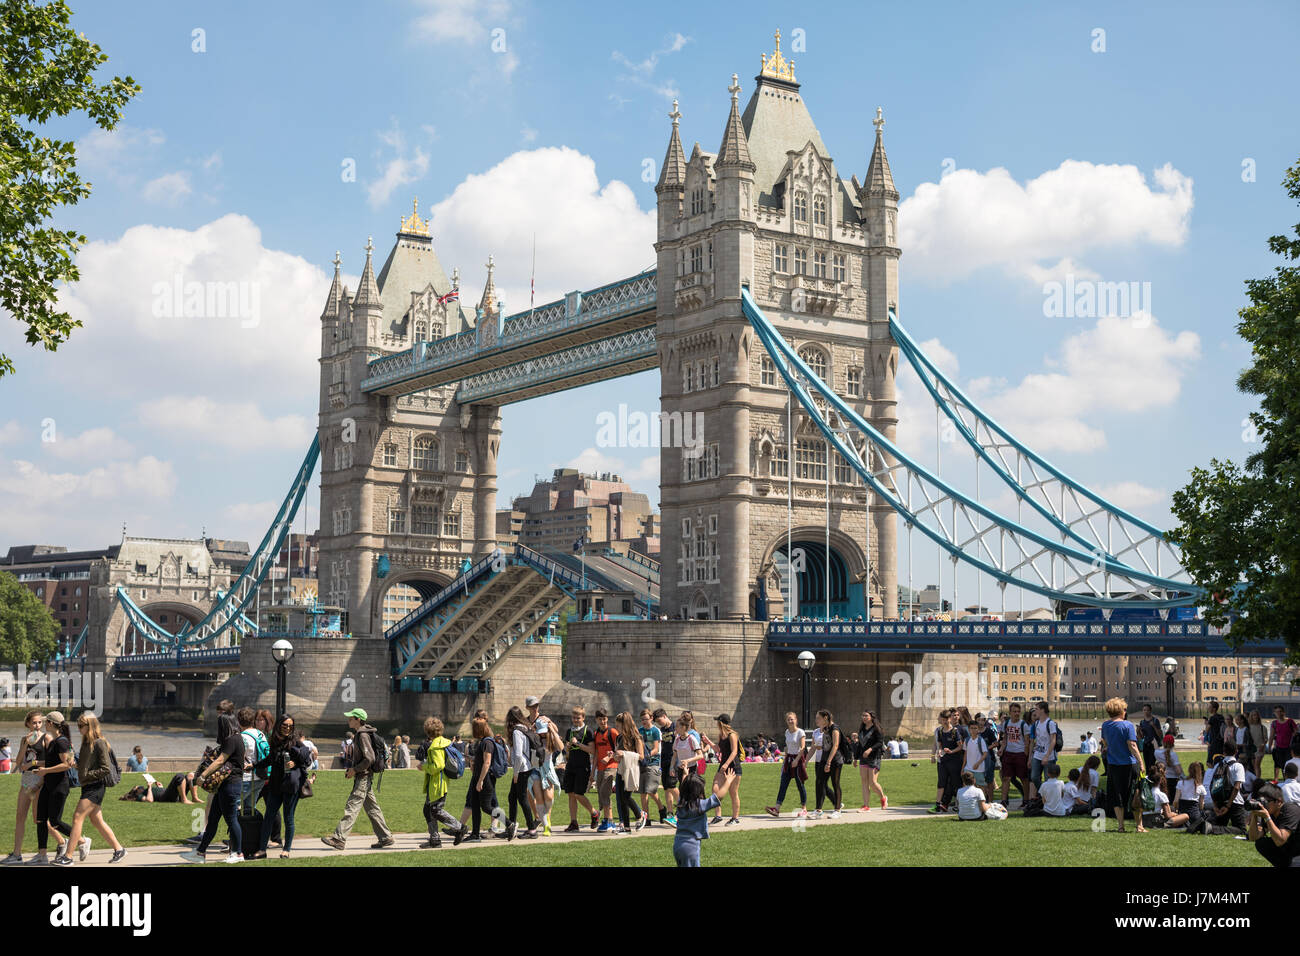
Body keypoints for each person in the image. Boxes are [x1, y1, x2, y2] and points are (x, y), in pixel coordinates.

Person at [320, 708, 394, 851]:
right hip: (365, 776)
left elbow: (370, 758)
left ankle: (338, 839)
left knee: (352, 807)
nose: (348, 720)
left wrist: (354, 770)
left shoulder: (362, 735)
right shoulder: (364, 733)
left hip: (363, 777)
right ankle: (386, 837)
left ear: (358, 719)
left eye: (351, 718)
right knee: (373, 809)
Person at [57, 714, 126, 866]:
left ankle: (68, 857)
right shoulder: (86, 743)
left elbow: (105, 769)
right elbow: (86, 765)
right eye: (78, 725)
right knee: (97, 821)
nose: (79, 728)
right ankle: (119, 849)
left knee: (77, 817)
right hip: (88, 786)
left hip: (95, 786)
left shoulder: (100, 743)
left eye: (81, 726)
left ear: (90, 726)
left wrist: (87, 774)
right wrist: (75, 764)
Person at [183, 710, 245, 863]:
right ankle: (200, 853)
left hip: (231, 784)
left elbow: (220, 761)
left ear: (224, 725)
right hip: (224, 786)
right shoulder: (237, 738)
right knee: (213, 820)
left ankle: (238, 854)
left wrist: (203, 776)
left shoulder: (232, 739)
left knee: (231, 820)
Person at [253, 713, 312, 859]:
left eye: (290, 726)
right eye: (285, 725)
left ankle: (286, 850)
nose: (287, 728)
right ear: (279, 725)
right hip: (275, 784)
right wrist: (253, 765)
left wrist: (295, 762)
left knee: (288, 817)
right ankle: (262, 849)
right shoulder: (274, 740)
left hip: (291, 785)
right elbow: (270, 759)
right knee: (269, 817)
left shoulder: (294, 741)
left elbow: (306, 756)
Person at [2, 710, 46, 865]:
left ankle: (65, 841)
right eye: (34, 722)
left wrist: (33, 763)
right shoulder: (24, 739)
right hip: (26, 781)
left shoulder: (46, 738)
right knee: (20, 817)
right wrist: (26, 744)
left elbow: (50, 762)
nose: (37, 725)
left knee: (37, 819)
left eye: (39, 722)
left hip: (39, 781)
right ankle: (17, 854)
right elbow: (19, 762)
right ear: (28, 723)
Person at [417, 716, 468, 849]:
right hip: (438, 782)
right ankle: (434, 839)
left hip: (437, 784)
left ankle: (459, 828)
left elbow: (438, 765)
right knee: (427, 809)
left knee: (435, 810)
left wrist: (424, 767)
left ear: (428, 732)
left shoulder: (435, 747)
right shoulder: (444, 742)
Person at [462, 716, 515, 843]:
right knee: (474, 805)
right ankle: (475, 834)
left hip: (485, 779)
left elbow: (487, 763)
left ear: (478, 729)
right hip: (477, 777)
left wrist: (480, 781)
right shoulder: (482, 742)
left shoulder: (487, 742)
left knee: (486, 807)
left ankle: (509, 824)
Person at [35, 712, 76, 863]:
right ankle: (41, 855)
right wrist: (35, 765)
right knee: (40, 819)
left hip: (59, 786)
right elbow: (51, 762)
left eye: (46, 722)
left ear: (51, 724)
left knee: (55, 822)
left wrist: (45, 771)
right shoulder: (53, 742)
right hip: (48, 784)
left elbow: (66, 765)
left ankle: (82, 840)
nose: (44, 724)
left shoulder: (61, 742)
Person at [672, 767, 735, 867]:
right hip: (691, 847)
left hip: (678, 844)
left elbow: (684, 787)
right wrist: (728, 781)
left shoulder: (681, 802)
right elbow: (718, 797)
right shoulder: (698, 805)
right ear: (697, 791)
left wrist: (685, 774)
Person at [1101, 697, 1142, 833]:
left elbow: (1105, 743)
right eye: (1124, 709)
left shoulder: (1106, 725)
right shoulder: (1127, 725)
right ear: (1120, 710)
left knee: (1117, 795)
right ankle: (1139, 826)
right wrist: (1141, 762)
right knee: (1134, 793)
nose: (1125, 711)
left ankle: (1120, 826)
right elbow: (1132, 745)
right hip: (1129, 764)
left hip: (1113, 765)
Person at [561, 705, 599, 832]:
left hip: (582, 766)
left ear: (583, 718)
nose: (575, 720)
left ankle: (594, 813)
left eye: (578, 718)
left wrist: (577, 743)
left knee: (578, 794)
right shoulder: (569, 731)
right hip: (570, 765)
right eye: (574, 717)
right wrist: (567, 747)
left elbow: (592, 750)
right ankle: (573, 822)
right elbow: (567, 752)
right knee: (571, 794)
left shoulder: (588, 731)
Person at [505, 706, 540, 838]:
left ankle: (531, 829)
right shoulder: (525, 727)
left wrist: (515, 773)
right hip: (527, 767)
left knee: (522, 798)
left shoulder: (516, 732)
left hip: (521, 769)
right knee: (512, 797)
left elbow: (519, 755)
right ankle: (511, 826)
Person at [1200, 739, 1248, 835]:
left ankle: (1206, 826)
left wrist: (1215, 805)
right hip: (1234, 802)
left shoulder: (1218, 765)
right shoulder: (1238, 766)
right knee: (1241, 830)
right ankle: (1211, 829)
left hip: (1220, 802)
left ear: (1223, 752)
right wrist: (1228, 806)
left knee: (1220, 825)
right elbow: (1237, 787)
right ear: (1236, 751)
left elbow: (1211, 786)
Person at [1247, 782, 1300, 867]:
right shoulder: (1271, 811)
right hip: (1289, 848)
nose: (1263, 804)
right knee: (1261, 843)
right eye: (1260, 800)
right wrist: (1254, 814)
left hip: (1297, 852)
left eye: (1266, 801)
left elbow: (1280, 840)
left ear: (1279, 801)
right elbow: (1253, 837)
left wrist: (1267, 817)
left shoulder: (1291, 810)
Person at [766, 712, 808, 818]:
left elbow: (803, 748)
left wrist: (797, 760)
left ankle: (804, 809)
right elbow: (787, 746)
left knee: (800, 785)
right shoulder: (787, 732)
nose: (790, 721)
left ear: (796, 720)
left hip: (797, 760)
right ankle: (777, 808)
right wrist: (785, 756)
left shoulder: (800, 732)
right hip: (788, 759)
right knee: (783, 784)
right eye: (788, 719)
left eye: (792, 719)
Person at [613, 712, 647, 833]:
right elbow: (618, 756)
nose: (617, 728)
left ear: (625, 724)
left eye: (619, 726)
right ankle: (626, 827)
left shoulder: (636, 738)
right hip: (621, 769)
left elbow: (641, 756)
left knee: (626, 797)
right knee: (621, 798)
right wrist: (614, 755)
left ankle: (640, 814)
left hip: (631, 770)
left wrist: (624, 754)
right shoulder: (620, 737)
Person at [591, 709, 621, 832]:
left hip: (612, 766)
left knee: (605, 792)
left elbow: (620, 748)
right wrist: (592, 772)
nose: (602, 721)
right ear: (596, 720)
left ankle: (608, 821)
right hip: (600, 767)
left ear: (607, 719)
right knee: (601, 794)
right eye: (600, 719)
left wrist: (609, 757)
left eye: (604, 719)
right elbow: (596, 754)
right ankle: (609, 820)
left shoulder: (612, 732)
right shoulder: (596, 734)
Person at [710, 714, 742, 825]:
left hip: (733, 766)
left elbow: (734, 751)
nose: (716, 724)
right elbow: (718, 750)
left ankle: (735, 818)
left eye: (718, 722)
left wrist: (726, 764)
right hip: (723, 765)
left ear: (721, 723)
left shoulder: (732, 735)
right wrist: (708, 741)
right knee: (715, 788)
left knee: (733, 792)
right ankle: (718, 816)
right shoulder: (721, 735)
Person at [998, 703, 1031, 807]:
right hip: (1008, 753)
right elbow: (1005, 739)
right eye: (1014, 711)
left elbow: (1027, 742)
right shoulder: (1006, 723)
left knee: (1023, 778)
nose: (1017, 713)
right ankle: (1004, 800)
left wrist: (1026, 756)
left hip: (1020, 754)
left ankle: (1026, 799)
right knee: (1006, 778)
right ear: (1010, 712)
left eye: (1018, 711)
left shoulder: (1023, 725)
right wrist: (1002, 749)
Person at [637, 709, 667, 825]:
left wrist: (646, 755)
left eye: (646, 719)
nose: (644, 721)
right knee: (643, 792)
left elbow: (656, 748)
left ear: (651, 718)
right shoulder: (639, 731)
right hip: (642, 764)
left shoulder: (655, 731)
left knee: (650, 790)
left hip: (653, 763)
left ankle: (661, 808)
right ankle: (646, 818)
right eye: (642, 719)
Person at [930, 709, 962, 814]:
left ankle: (958, 805)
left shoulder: (955, 731)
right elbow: (939, 745)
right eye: (942, 720)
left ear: (949, 719)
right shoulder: (939, 731)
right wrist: (939, 752)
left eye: (946, 720)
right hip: (943, 761)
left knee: (956, 783)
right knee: (941, 783)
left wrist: (951, 751)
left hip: (954, 761)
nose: (944, 722)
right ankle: (937, 805)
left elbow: (960, 746)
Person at [815, 709, 846, 818]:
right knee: (819, 782)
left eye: (818, 718)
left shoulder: (835, 729)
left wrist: (828, 762)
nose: (816, 720)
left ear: (825, 718)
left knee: (835, 783)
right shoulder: (824, 729)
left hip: (835, 760)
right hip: (824, 759)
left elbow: (835, 745)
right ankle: (818, 810)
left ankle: (837, 810)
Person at [856, 710, 888, 810]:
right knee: (864, 782)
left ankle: (883, 798)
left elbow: (880, 742)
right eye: (862, 715)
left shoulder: (877, 729)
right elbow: (860, 745)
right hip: (863, 758)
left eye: (866, 715)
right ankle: (866, 805)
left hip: (874, 757)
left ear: (871, 717)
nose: (863, 717)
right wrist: (856, 758)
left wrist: (870, 749)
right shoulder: (862, 729)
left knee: (872, 782)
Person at [653, 709, 679, 826]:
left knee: (672, 785)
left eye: (659, 720)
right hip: (663, 760)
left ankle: (684, 807)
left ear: (664, 716)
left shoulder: (675, 727)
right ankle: (669, 813)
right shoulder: (661, 730)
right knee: (666, 788)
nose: (659, 723)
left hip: (673, 761)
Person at [1028, 701, 1059, 797]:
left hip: (1048, 756)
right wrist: (1030, 758)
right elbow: (1032, 741)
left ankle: (1048, 800)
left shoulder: (1050, 723)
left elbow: (1053, 740)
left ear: (1042, 710)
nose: (1035, 711)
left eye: (1037, 709)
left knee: (1048, 779)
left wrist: (1046, 756)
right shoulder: (1036, 723)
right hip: (1037, 754)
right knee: (1034, 777)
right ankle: (1043, 794)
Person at [1169, 761, 1207, 830]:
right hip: (1195, 816)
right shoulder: (1201, 787)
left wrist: (1176, 810)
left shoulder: (1181, 783)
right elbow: (1201, 806)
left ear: (1189, 770)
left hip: (1182, 814)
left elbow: (1175, 801)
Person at [1268, 706, 1296, 782]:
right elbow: (1271, 736)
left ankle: (1288, 780)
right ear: (1274, 713)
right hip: (1278, 748)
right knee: (1278, 765)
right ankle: (1279, 780)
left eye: (1280, 711)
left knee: (1287, 766)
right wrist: (1270, 747)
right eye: (1276, 712)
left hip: (1289, 748)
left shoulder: (1290, 721)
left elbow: (1296, 733)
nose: (1278, 713)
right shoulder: (1274, 723)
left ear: (1284, 712)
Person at [1137, 704, 1162, 773]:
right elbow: (1141, 737)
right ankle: (1149, 779)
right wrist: (1138, 730)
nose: (1146, 712)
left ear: (1150, 711)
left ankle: (1153, 778)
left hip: (1154, 745)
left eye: (1147, 710)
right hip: (1146, 745)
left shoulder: (1155, 720)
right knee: (1147, 764)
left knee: (1152, 764)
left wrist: (1154, 726)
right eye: (1144, 710)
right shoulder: (1142, 722)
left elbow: (1160, 735)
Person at [1247, 710, 1268, 778]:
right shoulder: (1248, 727)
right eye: (1253, 715)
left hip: (1260, 748)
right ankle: (1255, 778)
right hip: (1251, 749)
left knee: (1257, 765)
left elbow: (1265, 738)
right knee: (1253, 765)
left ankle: (1257, 780)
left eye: (1256, 715)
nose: (1255, 717)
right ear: (1251, 717)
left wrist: (1263, 745)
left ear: (1258, 716)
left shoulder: (1262, 727)